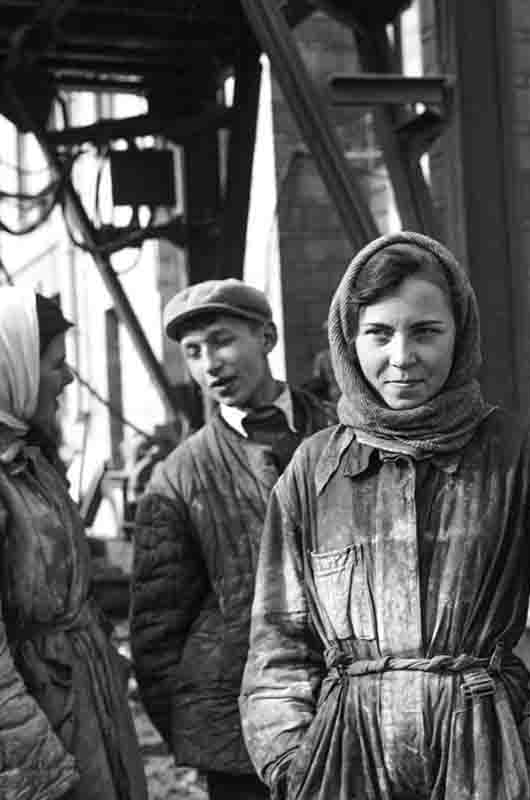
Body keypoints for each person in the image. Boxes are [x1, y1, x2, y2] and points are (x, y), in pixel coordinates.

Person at [239, 231, 530, 800]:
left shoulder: (523, 457)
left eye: (425, 331)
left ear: (460, 333)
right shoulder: (314, 470)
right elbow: (278, 641)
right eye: (378, 333)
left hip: (490, 759)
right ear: (349, 340)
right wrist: (292, 761)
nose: (402, 358)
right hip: (346, 761)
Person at [130, 279, 335, 800]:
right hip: (245, 736)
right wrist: (202, 729)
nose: (209, 365)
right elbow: (157, 629)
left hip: (354, 707)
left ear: (266, 337)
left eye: (222, 341)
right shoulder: (179, 476)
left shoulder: (342, 435)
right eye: (193, 352)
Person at [0, 287, 147, 800]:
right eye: (56, 363)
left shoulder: (32, 461)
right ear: (12, 368)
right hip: (41, 720)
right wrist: (35, 769)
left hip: (81, 699)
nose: (67, 377)